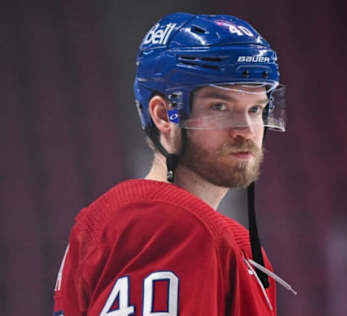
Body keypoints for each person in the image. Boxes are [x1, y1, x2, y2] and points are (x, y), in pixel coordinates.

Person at [53, 12, 295, 316]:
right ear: (165, 115)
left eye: (257, 109)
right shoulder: (165, 223)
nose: (246, 130)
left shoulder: (220, 237)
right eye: (220, 106)